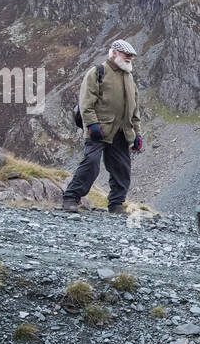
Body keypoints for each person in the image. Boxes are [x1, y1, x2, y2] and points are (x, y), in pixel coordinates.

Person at [62, 39, 144, 213]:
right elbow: (86, 102)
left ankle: (115, 204)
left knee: (122, 169)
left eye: (131, 56)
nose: (129, 58)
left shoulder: (129, 78)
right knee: (91, 164)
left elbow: (134, 110)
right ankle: (70, 198)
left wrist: (137, 134)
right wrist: (92, 124)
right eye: (126, 54)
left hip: (122, 133)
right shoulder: (97, 72)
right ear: (114, 53)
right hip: (99, 129)